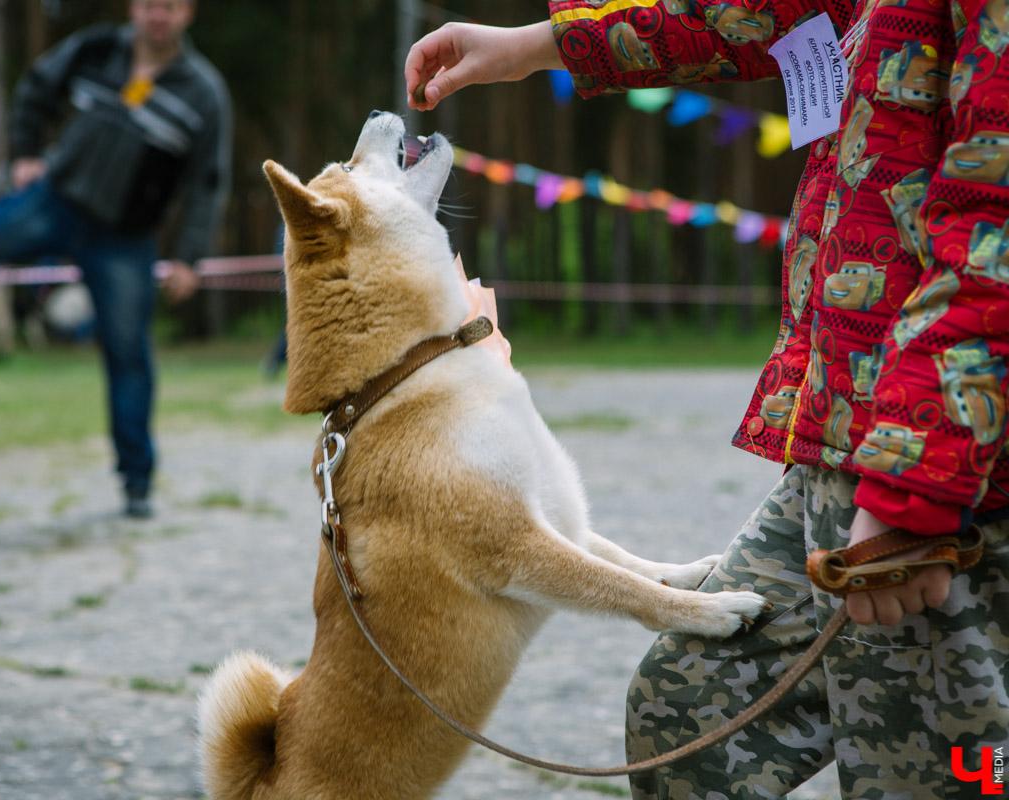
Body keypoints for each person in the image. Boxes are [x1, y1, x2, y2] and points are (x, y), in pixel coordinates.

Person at [406, 5, 1008, 799]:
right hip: (841, 450)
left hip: (950, 491)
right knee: (684, 718)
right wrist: (540, 45)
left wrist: (914, 488)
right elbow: (763, 15)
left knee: (943, 781)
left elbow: (994, 229)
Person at [0, 0, 232, 519]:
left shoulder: (205, 92)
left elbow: (208, 184)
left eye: (169, 6)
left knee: (129, 356)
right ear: (134, 8)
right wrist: (27, 151)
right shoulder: (94, 49)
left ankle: (137, 482)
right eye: (149, 5)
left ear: (188, 12)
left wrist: (189, 257)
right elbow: (35, 87)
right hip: (55, 200)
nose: (157, 15)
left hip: (124, 239)